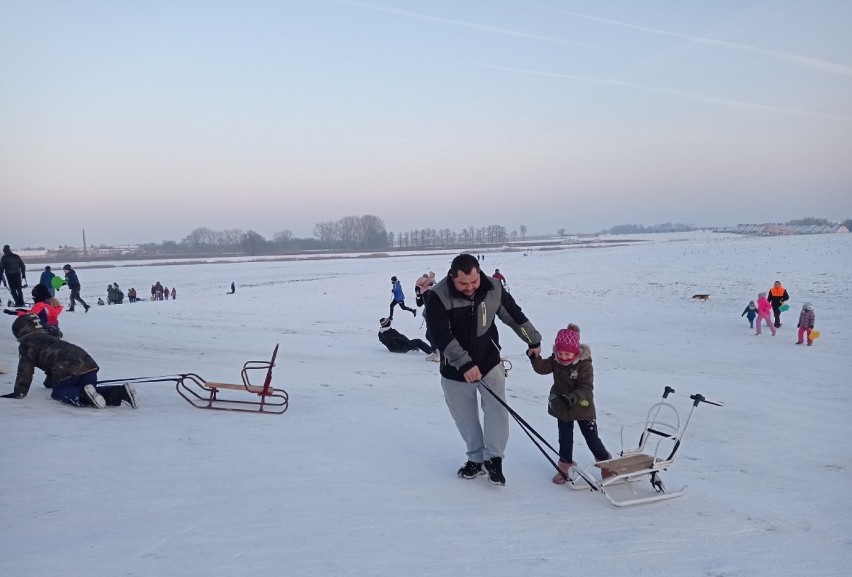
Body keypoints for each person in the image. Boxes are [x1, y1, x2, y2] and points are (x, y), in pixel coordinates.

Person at [425, 253, 541, 486]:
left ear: (480, 274)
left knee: (497, 412)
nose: (469, 288)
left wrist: (533, 340)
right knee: (465, 418)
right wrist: (465, 364)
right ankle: (476, 459)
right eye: (463, 283)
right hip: (454, 370)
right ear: (451, 277)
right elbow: (441, 336)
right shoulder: (437, 296)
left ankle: (494, 459)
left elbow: (514, 316)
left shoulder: (493, 288)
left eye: (474, 282)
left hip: (489, 363)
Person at [528, 324, 614, 484]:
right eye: (560, 353)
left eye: (567, 354)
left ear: (575, 352)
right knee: (564, 439)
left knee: (591, 438)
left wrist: (574, 397)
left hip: (583, 407)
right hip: (563, 407)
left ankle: (606, 463)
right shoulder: (556, 360)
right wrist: (535, 358)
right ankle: (565, 466)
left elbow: (587, 388)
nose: (563, 357)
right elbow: (542, 368)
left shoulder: (584, 365)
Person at [0, 314, 137, 408]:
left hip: (68, 370)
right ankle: (120, 392)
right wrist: (49, 383)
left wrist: (19, 392)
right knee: (92, 391)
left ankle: (82, 396)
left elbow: (25, 370)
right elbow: (51, 364)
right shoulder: (50, 338)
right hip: (89, 366)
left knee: (59, 393)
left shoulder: (27, 345)